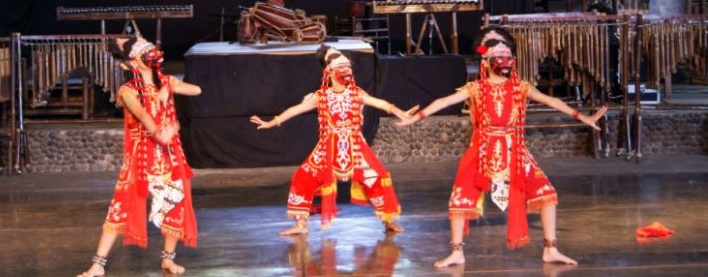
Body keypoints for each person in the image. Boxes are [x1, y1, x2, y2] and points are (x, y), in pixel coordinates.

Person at [398, 27, 607, 269]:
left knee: (547, 194)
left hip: (514, 151)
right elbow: (444, 101)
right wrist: (415, 117)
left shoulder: (521, 87)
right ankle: (457, 253)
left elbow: (552, 100)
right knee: (460, 199)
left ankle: (551, 248)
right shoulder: (475, 88)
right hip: (482, 150)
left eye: (508, 57)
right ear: (486, 63)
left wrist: (583, 117)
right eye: (499, 57)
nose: (504, 61)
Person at [251, 46, 415, 236]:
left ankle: (388, 221)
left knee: (377, 178)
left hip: (355, 146)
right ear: (329, 72)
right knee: (303, 178)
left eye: (348, 67)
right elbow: (295, 110)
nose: (346, 71)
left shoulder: (356, 93)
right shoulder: (319, 97)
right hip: (327, 148)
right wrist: (273, 122)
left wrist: (400, 112)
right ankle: (301, 225)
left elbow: (380, 103)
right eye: (341, 67)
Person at [76, 36, 202, 277]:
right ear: (131, 63)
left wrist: (168, 87)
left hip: (169, 156)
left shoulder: (165, 80)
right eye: (144, 52)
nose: (150, 54)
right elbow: (144, 116)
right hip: (142, 157)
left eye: (150, 50)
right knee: (121, 205)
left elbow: (197, 89)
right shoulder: (127, 91)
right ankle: (98, 263)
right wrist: (158, 133)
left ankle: (168, 259)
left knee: (175, 204)